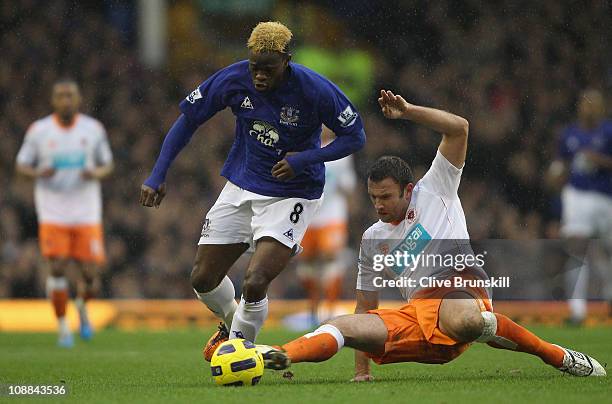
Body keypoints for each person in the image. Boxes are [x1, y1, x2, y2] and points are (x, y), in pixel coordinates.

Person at [259, 90, 606, 378]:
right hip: (418, 317)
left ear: (408, 191)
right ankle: (279, 355)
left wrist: (409, 111)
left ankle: (555, 355)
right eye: (373, 198)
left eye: (386, 197)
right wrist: (361, 371)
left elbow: (459, 129)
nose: (378, 206)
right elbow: (367, 303)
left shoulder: (436, 188)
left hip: (461, 291)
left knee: (463, 319)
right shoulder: (372, 239)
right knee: (343, 325)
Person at [139, 21, 365, 360]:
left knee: (255, 280)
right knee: (202, 277)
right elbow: (188, 120)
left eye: (268, 69)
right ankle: (234, 327)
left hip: (293, 192)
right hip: (242, 184)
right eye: (254, 67)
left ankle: (241, 354)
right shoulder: (233, 79)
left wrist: (306, 158)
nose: (259, 76)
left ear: (287, 60)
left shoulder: (315, 89)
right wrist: (158, 173)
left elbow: (355, 135)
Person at [16, 78, 114, 347]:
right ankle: (62, 327)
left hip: (86, 211)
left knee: (91, 276)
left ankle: (81, 308)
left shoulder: (93, 129)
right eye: (60, 95)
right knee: (57, 266)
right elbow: (22, 164)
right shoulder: (39, 131)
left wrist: (95, 172)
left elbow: (107, 165)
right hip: (53, 211)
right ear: (53, 101)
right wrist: (37, 172)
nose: (66, 100)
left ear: (78, 99)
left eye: (70, 95)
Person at [547, 89, 612, 324]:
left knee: (606, 252)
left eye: (594, 104)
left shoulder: (609, 131)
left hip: (606, 198)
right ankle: (577, 311)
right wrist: (555, 175)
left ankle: (609, 295)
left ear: (602, 108)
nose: (589, 108)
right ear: (579, 107)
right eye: (586, 104)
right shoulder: (569, 134)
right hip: (577, 196)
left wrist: (598, 160)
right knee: (576, 249)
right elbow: (560, 164)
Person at [297, 128, 357, 326]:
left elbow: (347, 185)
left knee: (331, 258)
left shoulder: (341, 151)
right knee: (307, 263)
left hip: (333, 214)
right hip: (308, 213)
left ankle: (330, 311)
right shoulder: (302, 146)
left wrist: (350, 210)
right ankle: (313, 309)